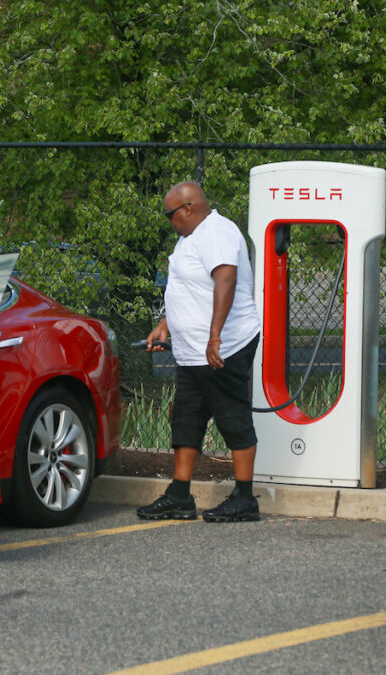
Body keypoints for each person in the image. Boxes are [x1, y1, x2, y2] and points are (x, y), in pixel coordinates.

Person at [137, 181, 262, 522]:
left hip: (225, 345)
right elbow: (189, 287)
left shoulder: (217, 232)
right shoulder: (188, 238)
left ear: (189, 208)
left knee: (231, 416)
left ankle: (245, 498)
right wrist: (166, 324)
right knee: (186, 418)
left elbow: (226, 280)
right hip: (192, 351)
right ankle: (179, 495)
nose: (169, 222)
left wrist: (215, 336)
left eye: (170, 215)